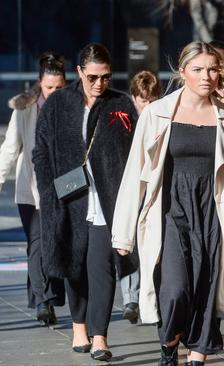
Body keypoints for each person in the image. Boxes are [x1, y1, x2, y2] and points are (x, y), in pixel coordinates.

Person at [112, 41, 224, 366]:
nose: (207, 76)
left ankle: (196, 357)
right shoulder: (157, 112)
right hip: (172, 213)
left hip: (214, 214)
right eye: (199, 69)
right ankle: (169, 343)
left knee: (207, 288)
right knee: (174, 290)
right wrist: (123, 235)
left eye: (213, 69)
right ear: (182, 71)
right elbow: (136, 172)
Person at [32, 43, 139, 362]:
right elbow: (41, 152)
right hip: (69, 200)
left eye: (105, 77)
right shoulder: (59, 104)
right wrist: (49, 192)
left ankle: (100, 336)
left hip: (107, 202)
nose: (99, 83)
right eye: (92, 77)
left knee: (102, 268)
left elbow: (133, 152)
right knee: (74, 266)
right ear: (79, 72)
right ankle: (79, 326)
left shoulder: (120, 103)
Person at [0, 52, 66, 325]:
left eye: (58, 88)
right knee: (37, 243)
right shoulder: (25, 109)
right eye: (49, 87)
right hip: (30, 190)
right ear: (40, 84)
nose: (53, 93)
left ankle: (45, 296)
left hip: (63, 188)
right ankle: (43, 300)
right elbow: (11, 146)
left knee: (55, 243)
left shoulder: (72, 107)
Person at [115, 69, 162, 324]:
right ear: (134, 97)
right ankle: (130, 297)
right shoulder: (123, 119)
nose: (148, 104)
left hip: (151, 187)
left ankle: (144, 294)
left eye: (152, 99)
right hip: (128, 187)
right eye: (143, 99)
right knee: (127, 243)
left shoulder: (160, 118)